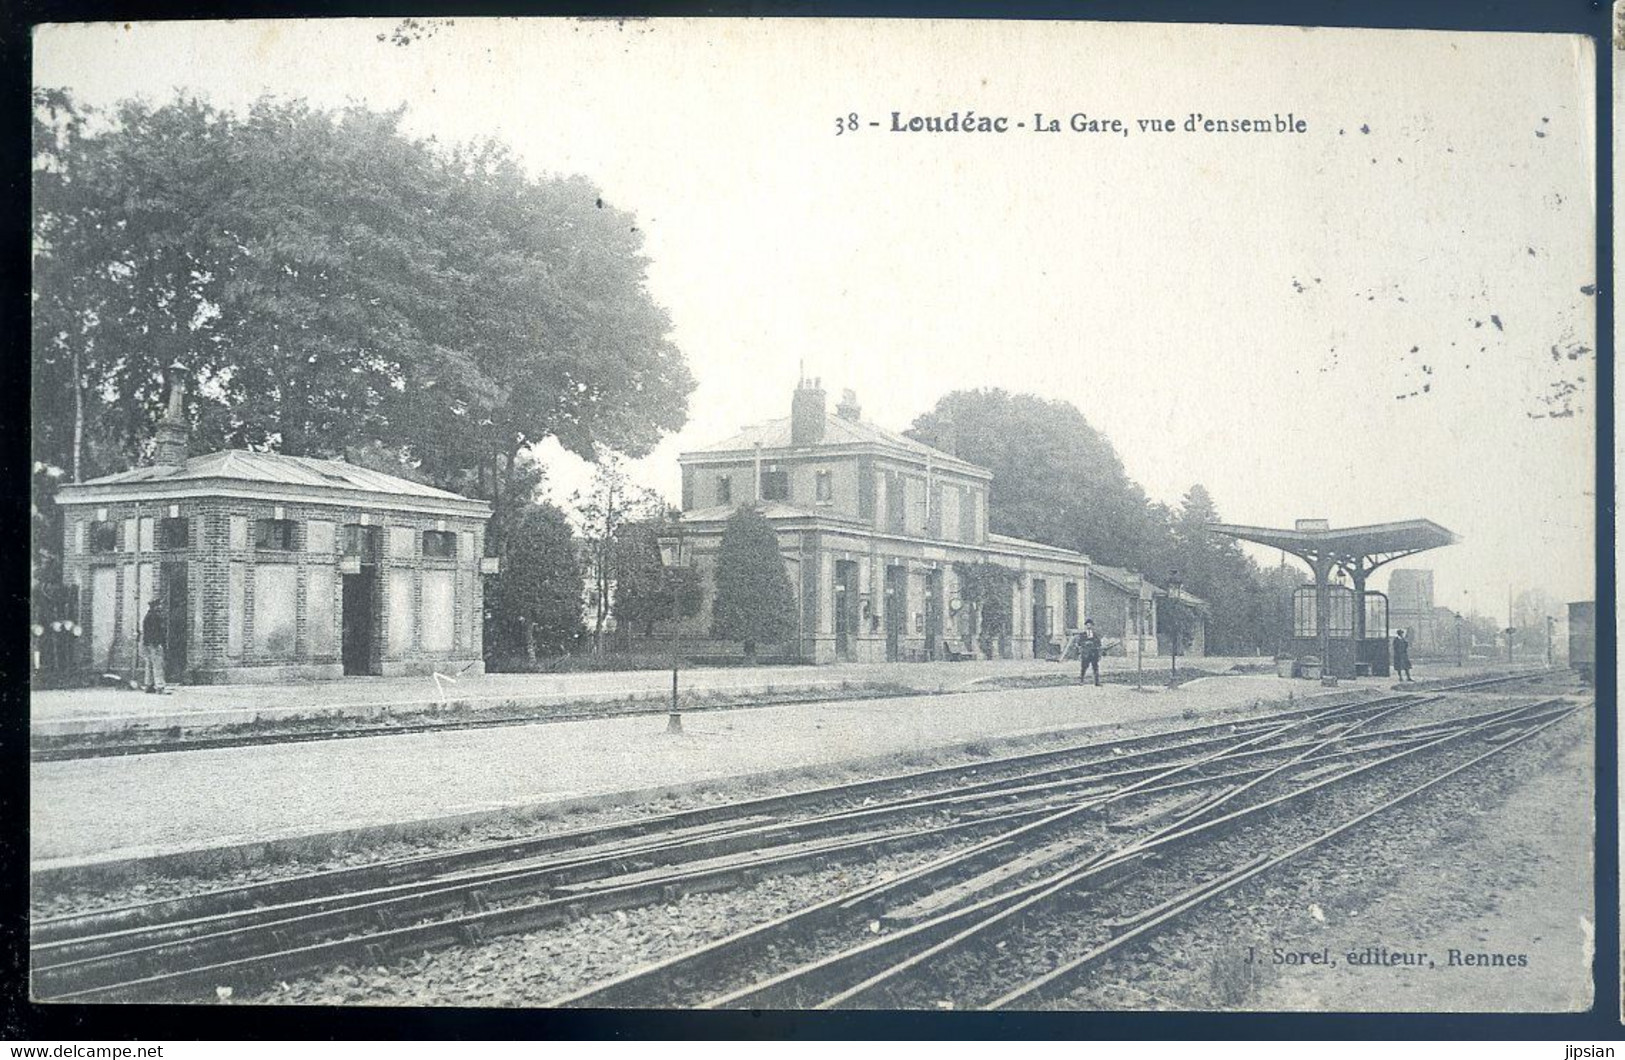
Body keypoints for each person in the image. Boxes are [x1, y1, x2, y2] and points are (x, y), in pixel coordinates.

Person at [141, 598, 169, 694]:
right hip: (155, 644)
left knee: (149, 664)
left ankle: (149, 685)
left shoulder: (147, 616)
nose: (161, 606)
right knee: (158, 665)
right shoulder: (156, 617)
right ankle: (160, 686)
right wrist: (160, 643)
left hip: (148, 644)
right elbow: (158, 632)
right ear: (155, 606)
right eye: (159, 605)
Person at [1077, 618, 1103, 687]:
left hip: (1094, 653)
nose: (1089, 626)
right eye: (1087, 625)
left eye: (1090, 625)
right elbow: (1079, 643)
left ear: (1092, 626)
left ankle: (1097, 682)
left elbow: (1099, 643)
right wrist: (1085, 643)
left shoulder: (1095, 634)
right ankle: (1081, 681)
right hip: (1086, 653)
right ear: (1085, 626)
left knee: (1095, 667)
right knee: (1084, 667)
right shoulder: (1082, 634)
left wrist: (1098, 651)